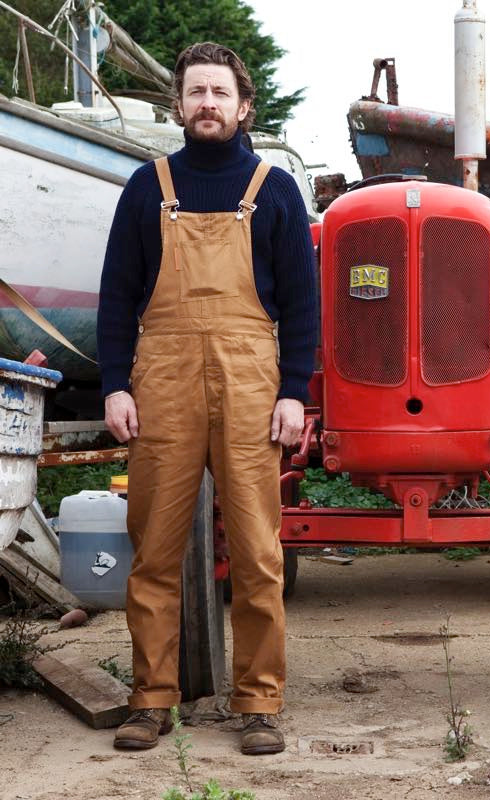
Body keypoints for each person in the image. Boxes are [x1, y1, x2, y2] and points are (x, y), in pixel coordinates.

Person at [97, 42, 317, 755]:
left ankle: (258, 703)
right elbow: (117, 298)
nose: (208, 105)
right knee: (155, 550)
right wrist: (113, 384)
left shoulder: (273, 187)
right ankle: (151, 699)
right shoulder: (145, 186)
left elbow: (304, 308)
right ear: (179, 105)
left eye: (220, 93)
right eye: (196, 93)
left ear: (244, 105)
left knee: (257, 550)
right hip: (160, 380)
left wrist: (294, 393)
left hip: (251, 381)